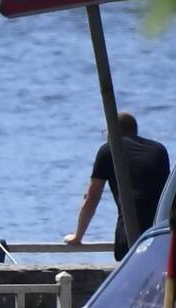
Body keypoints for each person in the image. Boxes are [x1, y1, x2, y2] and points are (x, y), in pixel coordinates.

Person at [64, 111, 169, 260]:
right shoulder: (159, 150)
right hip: (160, 230)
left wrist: (77, 236)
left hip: (129, 229)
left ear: (111, 130)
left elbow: (91, 198)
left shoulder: (109, 150)